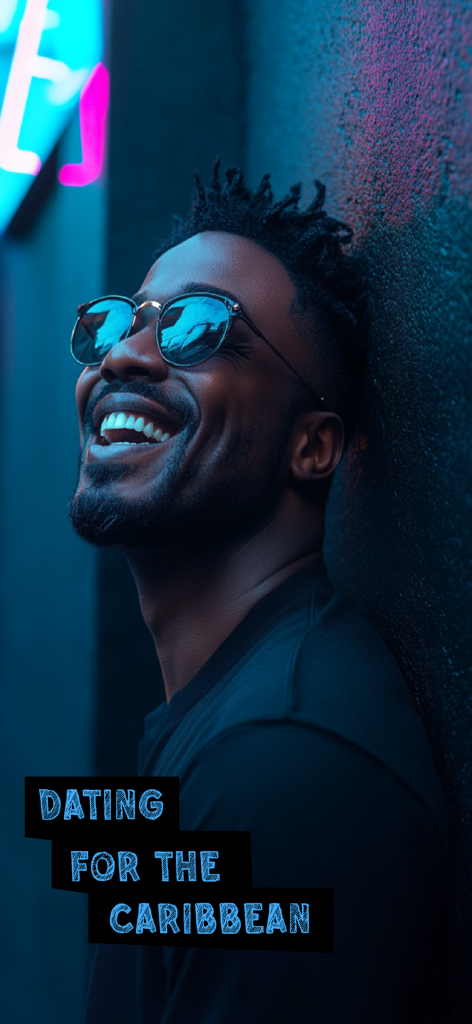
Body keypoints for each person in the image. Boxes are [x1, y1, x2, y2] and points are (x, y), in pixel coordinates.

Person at [70, 164, 448, 1023]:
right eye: (119, 322)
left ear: (313, 448)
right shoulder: (230, 721)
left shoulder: (282, 768)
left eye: (201, 328)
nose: (125, 354)